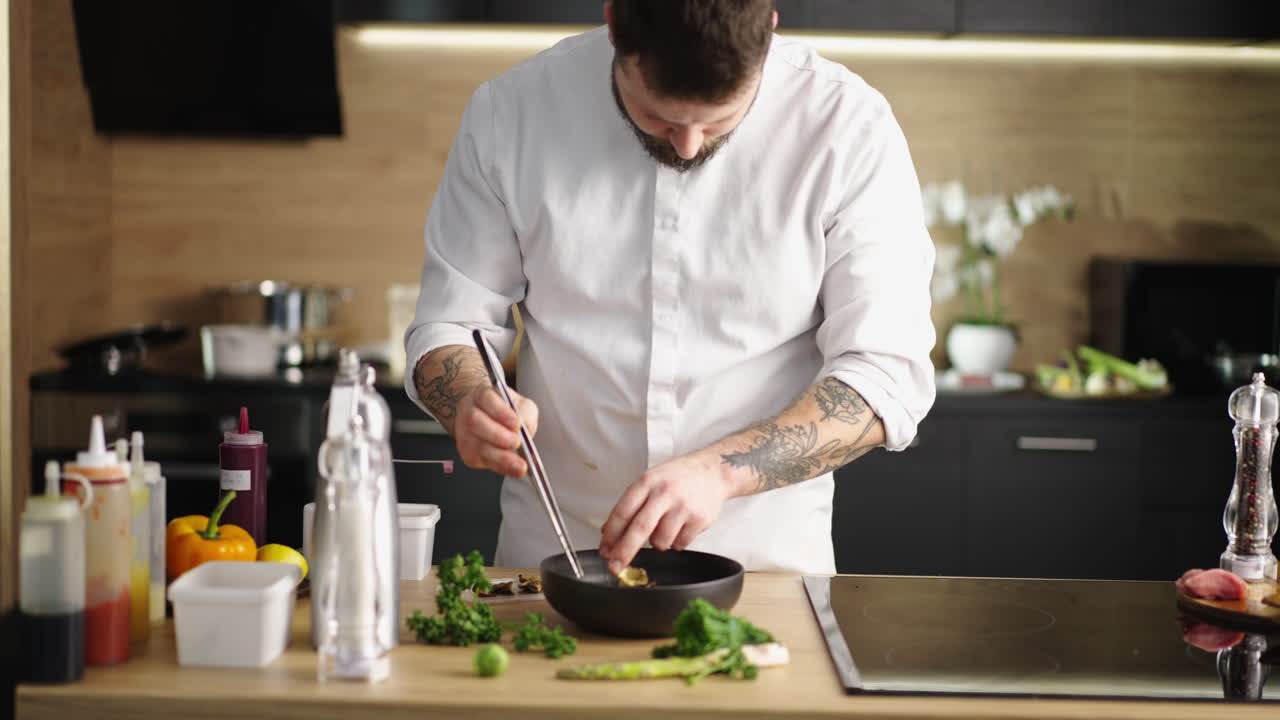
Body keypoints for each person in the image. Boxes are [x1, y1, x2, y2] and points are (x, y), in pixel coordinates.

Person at [404, 0, 936, 575]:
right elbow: (451, 322)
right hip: (552, 565)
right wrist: (467, 400)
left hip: (767, 570)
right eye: (657, 117)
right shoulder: (512, 114)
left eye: (720, 121)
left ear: (768, 31)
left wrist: (721, 472)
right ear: (614, 25)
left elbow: (885, 375)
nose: (688, 145)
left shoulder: (847, 126)